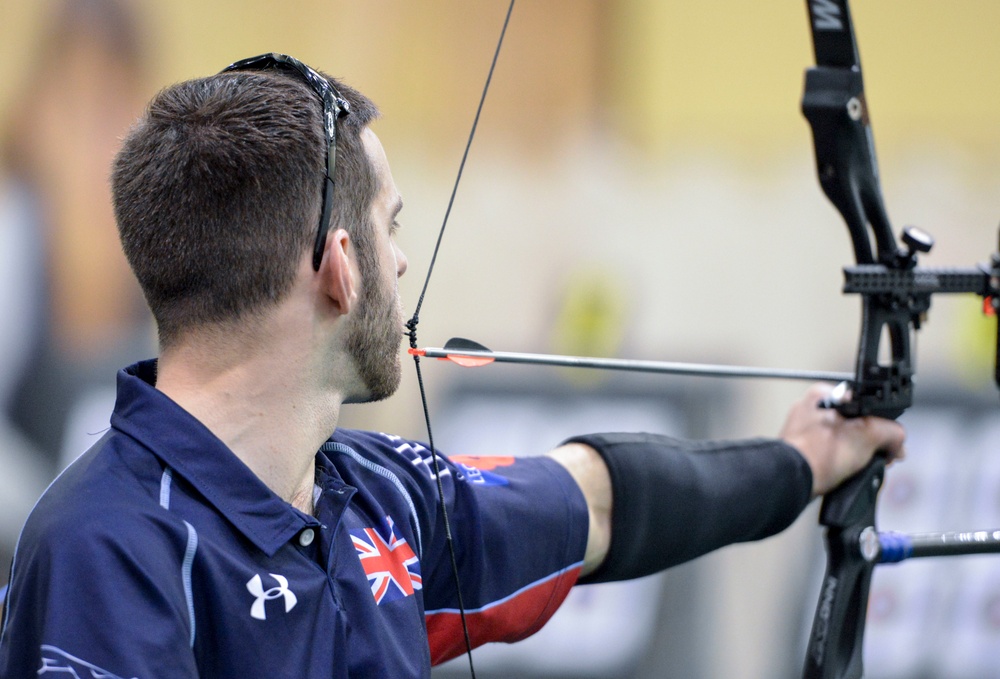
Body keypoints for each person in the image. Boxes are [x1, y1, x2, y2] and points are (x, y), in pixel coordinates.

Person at [0, 54, 904, 678]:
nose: (401, 263)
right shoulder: (109, 548)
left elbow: (595, 498)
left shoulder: (371, 495)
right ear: (340, 265)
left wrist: (801, 463)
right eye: (392, 228)